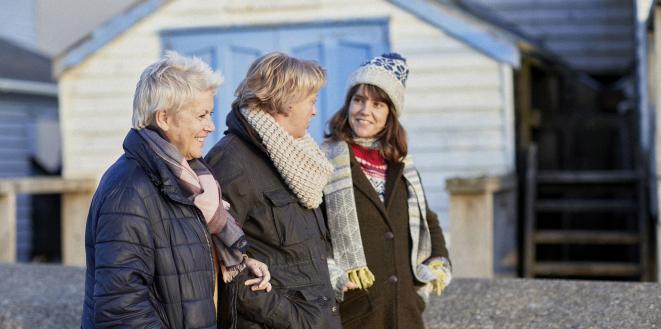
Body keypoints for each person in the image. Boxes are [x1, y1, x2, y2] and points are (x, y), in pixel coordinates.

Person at [80, 52, 271, 329]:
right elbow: (121, 311)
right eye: (201, 115)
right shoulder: (128, 190)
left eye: (211, 114)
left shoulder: (190, 179)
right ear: (164, 118)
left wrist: (237, 264)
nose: (211, 126)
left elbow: (182, 263)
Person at [205, 52, 341, 329]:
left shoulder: (299, 158)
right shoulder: (231, 161)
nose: (315, 111)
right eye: (311, 101)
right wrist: (294, 320)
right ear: (286, 100)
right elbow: (219, 262)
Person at [323, 53, 452, 329]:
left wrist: (437, 263)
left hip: (405, 310)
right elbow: (312, 230)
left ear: (390, 112)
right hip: (355, 309)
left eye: (377, 104)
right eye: (358, 100)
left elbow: (427, 220)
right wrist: (334, 274)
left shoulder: (402, 164)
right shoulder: (324, 160)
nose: (364, 110)